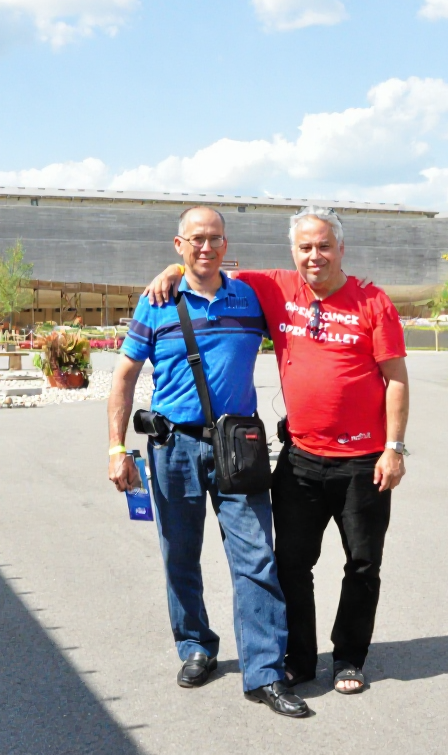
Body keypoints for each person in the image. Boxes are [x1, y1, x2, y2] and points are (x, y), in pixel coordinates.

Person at [142, 205, 410, 695]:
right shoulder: (275, 288)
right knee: (288, 564)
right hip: (300, 459)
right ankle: (299, 660)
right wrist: (174, 269)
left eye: (324, 246)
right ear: (293, 251)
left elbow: (396, 379)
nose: (314, 255)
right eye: (305, 247)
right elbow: (206, 266)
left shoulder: (373, 302)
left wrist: (394, 448)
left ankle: (349, 658)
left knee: (362, 564)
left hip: (364, 461)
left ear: (341, 248)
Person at [107, 205, 309, 718]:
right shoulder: (157, 301)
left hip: (237, 447)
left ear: (226, 245)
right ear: (178, 245)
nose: (206, 246)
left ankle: (264, 672)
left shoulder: (249, 297)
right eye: (195, 239)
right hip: (172, 448)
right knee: (180, 554)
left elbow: (306, 299)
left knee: (256, 556)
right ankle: (196, 645)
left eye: (215, 238)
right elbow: (125, 376)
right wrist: (116, 448)